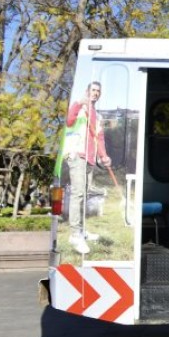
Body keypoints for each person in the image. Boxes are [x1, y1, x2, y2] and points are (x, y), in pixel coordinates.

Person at [63, 81, 111, 254]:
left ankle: (81, 231)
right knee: (77, 194)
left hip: (90, 160)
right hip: (77, 155)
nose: (95, 93)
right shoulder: (80, 108)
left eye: (98, 91)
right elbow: (69, 122)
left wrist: (104, 156)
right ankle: (75, 235)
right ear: (87, 91)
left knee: (84, 195)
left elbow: (100, 138)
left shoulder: (98, 116)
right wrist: (78, 103)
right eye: (93, 90)